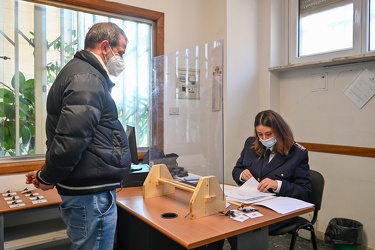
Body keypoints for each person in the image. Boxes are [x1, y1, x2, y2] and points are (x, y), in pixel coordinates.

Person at [25, 22, 131, 250]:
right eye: (120, 53)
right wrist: (47, 177)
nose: (121, 60)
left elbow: (71, 136)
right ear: (105, 47)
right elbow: (71, 140)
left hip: (87, 191)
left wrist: (47, 174)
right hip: (91, 195)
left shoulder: (83, 74)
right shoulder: (87, 78)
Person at [207, 109, 312, 250]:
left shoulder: (297, 153)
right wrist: (241, 175)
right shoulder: (251, 144)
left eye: (269, 134)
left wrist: (277, 185)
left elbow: (304, 191)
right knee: (217, 216)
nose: (264, 138)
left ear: (280, 131)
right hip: (249, 202)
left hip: (277, 210)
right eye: (260, 134)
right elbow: (237, 170)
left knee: (238, 225)